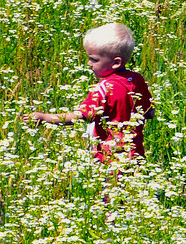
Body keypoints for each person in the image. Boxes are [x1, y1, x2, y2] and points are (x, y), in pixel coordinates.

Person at [29, 23, 155, 162]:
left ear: (116, 63)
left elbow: (79, 116)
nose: (89, 63)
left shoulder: (104, 89)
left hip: (109, 159)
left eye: (94, 59)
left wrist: (45, 117)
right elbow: (149, 112)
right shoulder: (137, 80)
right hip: (136, 155)